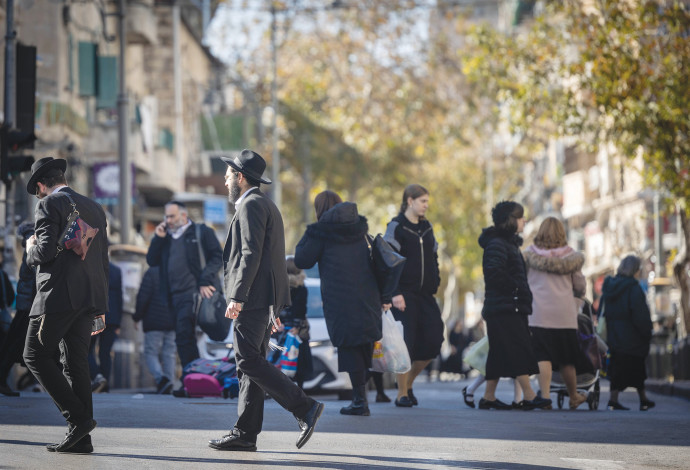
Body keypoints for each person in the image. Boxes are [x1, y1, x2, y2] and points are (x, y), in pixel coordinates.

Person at [208, 149, 323, 452]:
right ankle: (245, 433)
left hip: (253, 298)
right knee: (248, 363)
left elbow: (251, 255)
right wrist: (273, 307)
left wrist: (237, 296)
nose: (225, 180)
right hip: (262, 300)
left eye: (229, 174)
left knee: (247, 359)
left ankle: (304, 407)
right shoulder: (263, 204)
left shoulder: (251, 206)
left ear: (241, 178)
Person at [22, 157, 109, 454]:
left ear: (42, 185)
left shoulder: (48, 205)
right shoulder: (95, 207)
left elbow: (45, 252)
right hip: (88, 299)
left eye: (38, 191)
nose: (39, 196)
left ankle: (79, 421)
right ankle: (81, 440)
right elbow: (102, 260)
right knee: (76, 364)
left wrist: (29, 249)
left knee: (34, 355)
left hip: (58, 297)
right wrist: (100, 307)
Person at [295, 190, 389, 416]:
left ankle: (360, 401)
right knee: (363, 342)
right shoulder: (359, 228)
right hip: (368, 296)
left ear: (320, 210)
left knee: (349, 346)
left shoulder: (321, 233)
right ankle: (361, 396)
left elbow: (301, 259)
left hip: (340, 299)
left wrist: (311, 232)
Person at [477, 201, 551, 410]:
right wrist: (517, 289)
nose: (524, 220)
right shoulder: (497, 244)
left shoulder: (507, 244)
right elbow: (493, 273)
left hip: (508, 305)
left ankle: (488, 397)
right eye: (520, 217)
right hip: (505, 307)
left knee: (499, 353)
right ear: (510, 220)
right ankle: (529, 394)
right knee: (519, 348)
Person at [145, 200, 223, 396]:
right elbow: (151, 260)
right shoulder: (166, 237)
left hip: (193, 294)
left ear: (183, 216)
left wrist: (205, 280)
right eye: (166, 217)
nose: (168, 220)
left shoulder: (201, 232)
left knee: (183, 337)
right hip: (172, 297)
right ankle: (194, 381)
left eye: (172, 216)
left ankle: (191, 382)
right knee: (185, 338)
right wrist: (158, 238)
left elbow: (218, 256)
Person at [383, 184, 444, 407]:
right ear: (410, 201)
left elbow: (434, 256)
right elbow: (388, 261)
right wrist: (395, 292)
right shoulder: (396, 226)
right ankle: (402, 394)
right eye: (423, 201)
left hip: (426, 294)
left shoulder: (427, 227)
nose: (426, 206)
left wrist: (435, 280)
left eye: (427, 201)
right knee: (405, 345)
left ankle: (408, 383)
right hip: (404, 295)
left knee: (434, 340)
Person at [523, 217, 588, 410]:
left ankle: (545, 398)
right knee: (567, 359)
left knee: (543, 356)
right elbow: (580, 285)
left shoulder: (528, 256)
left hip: (537, 313)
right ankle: (574, 396)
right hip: (564, 315)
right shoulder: (571, 257)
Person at [600, 255, 654, 411]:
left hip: (614, 336)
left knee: (617, 369)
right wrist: (646, 332)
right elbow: (640, 314)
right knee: (637, 368)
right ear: (635, 270)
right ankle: (642, 399)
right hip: (632, 337)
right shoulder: (633, 288)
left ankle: (614, 399)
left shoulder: (609, 286)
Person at [0, 223, 35, 397]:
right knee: (15, 345)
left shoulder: (30, 247)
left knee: (15, 344)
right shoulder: (32, 247)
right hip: (29, 306)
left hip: (27, 305)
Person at [133, 266, 176, 394]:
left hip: (154, 320)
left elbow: (143, 296)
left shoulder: (151, 272)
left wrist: (137, 317)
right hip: (173, 320)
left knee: (150, 352)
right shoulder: (175, 271)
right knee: (170, 353)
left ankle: (161, 380)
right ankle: (169, 381)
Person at [276, 257, 313, 390]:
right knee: (298, 360)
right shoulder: (301, 287)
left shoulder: (280, 286)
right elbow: (301, 309)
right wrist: (297, 326)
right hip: (296, 329)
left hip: (281, 327)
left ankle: (281, 388)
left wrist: (277, 322)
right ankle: (299, 389)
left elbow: (277, 306)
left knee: (279, 358)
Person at [89, 262, 123, 393]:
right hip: (112, 318)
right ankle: (105, 384)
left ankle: (98, 377)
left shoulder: (92, 266)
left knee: (88, 349)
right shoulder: (116, 270)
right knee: (105, 352)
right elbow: (119, 297)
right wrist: (118, 322)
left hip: (97, 316)